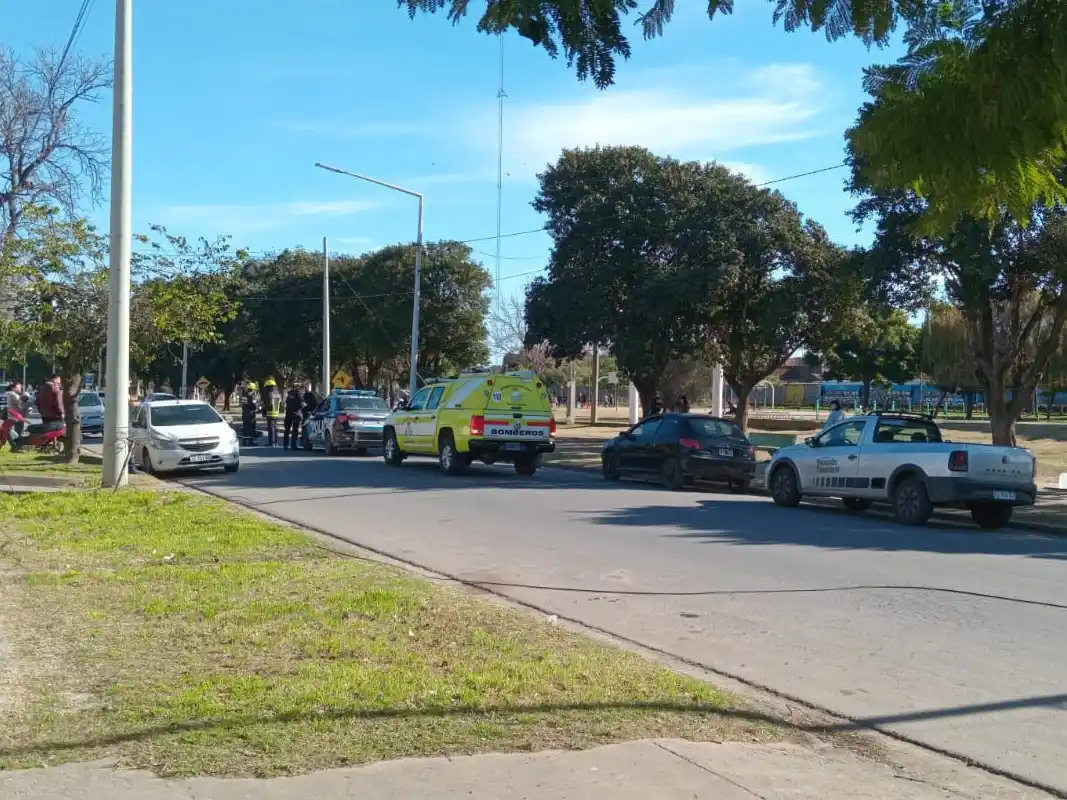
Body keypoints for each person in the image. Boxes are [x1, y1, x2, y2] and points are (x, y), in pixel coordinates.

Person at [1, 381, 26, 449]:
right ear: (13, 388)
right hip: (13, 416)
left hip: (5, 415)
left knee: (6, 431)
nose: (20, 389)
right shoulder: (14, 395)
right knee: (11, 431)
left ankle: (13, 446)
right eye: (18, 388)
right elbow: (20, 405)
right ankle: (16, 445)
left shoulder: (5, 394)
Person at [262, 378, 282, 447]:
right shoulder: (278, 394)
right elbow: (280, 404)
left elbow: (269, 404)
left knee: (271, 429)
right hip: (276, 414)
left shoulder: (269, 394)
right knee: (275, 429)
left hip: (270, 414)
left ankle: (271, 442)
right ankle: (276, 442)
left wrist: (264, 410)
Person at [283, 386, 303, 451]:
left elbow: (286, 403)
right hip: (296, 414)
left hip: (288, 414)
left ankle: (285, 445)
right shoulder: (299, 394)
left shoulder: (289, 394)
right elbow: (302, 403)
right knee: (295, 430)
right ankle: (293, 446)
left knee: (287, 430)